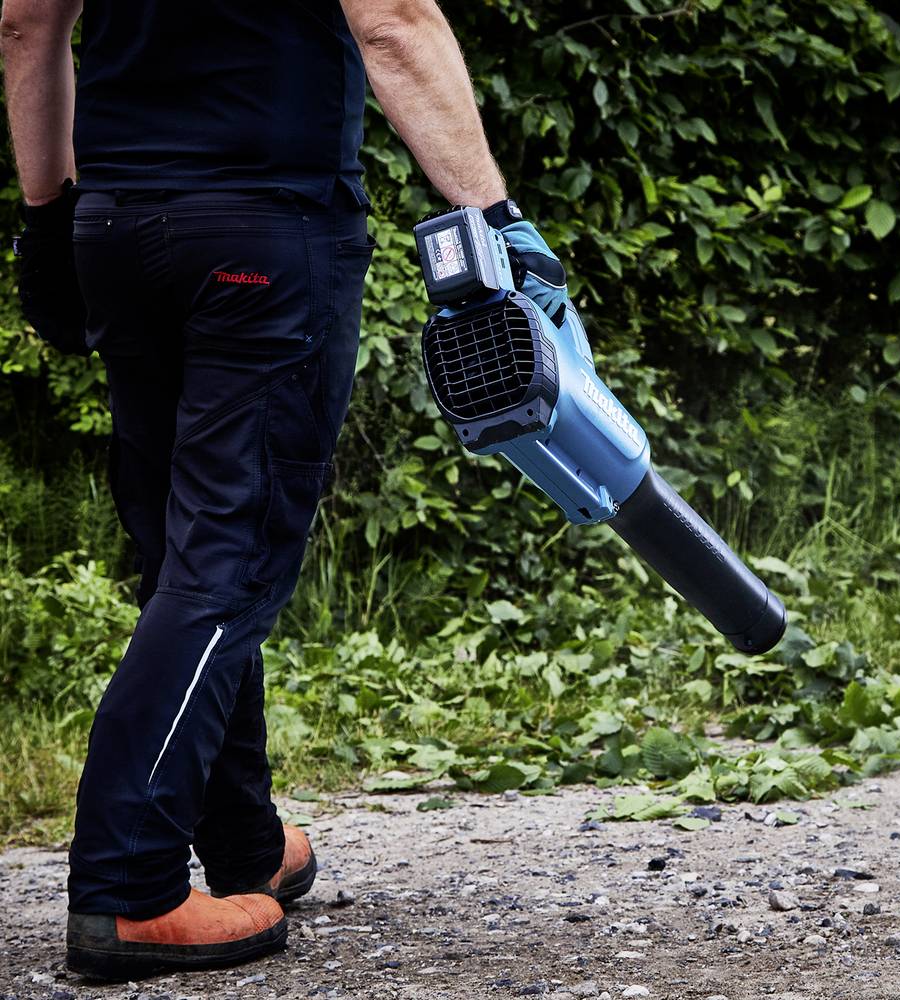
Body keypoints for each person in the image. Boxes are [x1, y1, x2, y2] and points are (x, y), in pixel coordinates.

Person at [0, 0, 569, 982]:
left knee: (187, 551)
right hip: (262, 225)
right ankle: (127, 887)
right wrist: (498, 220)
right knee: (228, 560)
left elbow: (24, 21)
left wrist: (45, 218)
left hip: (117, 222)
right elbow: (391, 20)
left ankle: (245, 845)